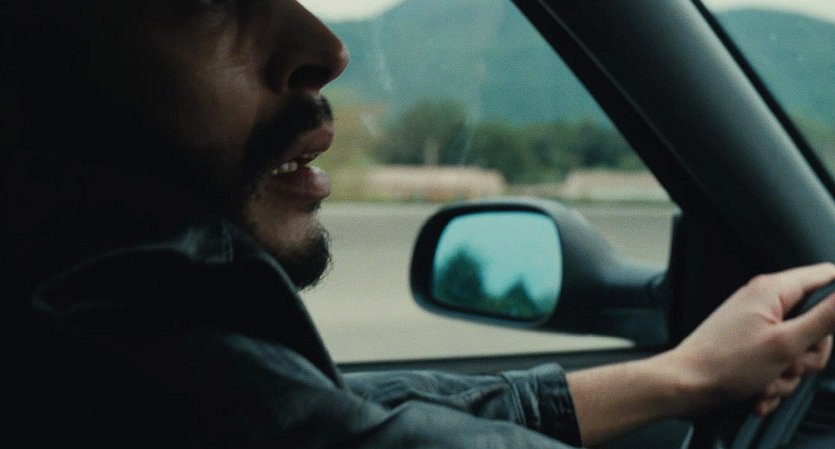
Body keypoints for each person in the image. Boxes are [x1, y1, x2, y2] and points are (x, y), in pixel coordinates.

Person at [3, 1, 834, 447]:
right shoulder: (110, 357)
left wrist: (682, 376)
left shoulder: (122, 339)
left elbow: (337, 410)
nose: (326, 48)